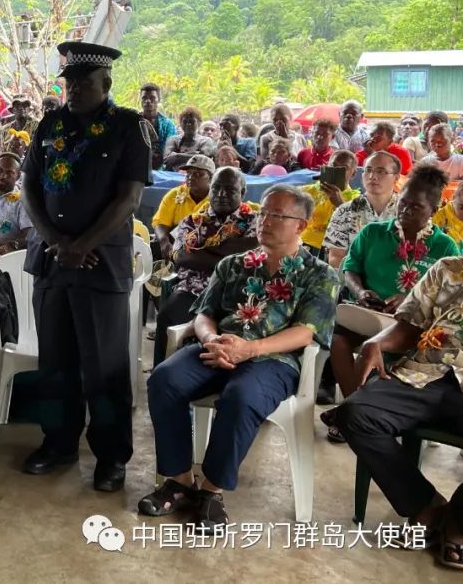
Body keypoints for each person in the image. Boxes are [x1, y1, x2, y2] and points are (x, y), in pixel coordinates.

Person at [139, 186, 338, 531]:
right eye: (263, 213)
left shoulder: (319, 274)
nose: (265, 221)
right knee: (164, 379)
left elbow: (306, 332)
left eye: (278, 215)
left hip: (274, 360)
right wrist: (212, 339)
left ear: (301, 226)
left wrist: (251, 349)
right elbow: (204, 314)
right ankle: (181, 481)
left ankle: (211, 491)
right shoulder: (233, 264)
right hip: (219, 348)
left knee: (241, 396)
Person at [19, 40, 151, 494]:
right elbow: (30, 189)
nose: (73, 90)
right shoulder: (50, 124)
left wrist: (83, 245)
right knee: (55, 361)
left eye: (84, 82)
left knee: (106, 367)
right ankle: (58, 444)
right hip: (53, 261)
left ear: (106, 83)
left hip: (101, 263)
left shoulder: (129, 127)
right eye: (69, 82)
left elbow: (129, 197)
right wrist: (57, 243)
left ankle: (111, 457)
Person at [335, 255, 463, 566]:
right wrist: (376, 343)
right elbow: (408, 328)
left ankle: (459, 522)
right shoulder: (448, 269)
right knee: (357, 414)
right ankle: (428, 508)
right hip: (426, 374)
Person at [321, 165, 458, 441]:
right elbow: (350, 269)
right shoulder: (373, 233)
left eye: (416, 207)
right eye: (403, 203)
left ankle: (354, 414)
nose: (405, 211)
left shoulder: (445, 247)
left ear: (433, 209)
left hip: (412, 325)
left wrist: (409, 300)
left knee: (411, 349)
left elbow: (446, 298)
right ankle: (354, 408)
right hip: (368, 313)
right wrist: (361, 293)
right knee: (338, 339)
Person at [151, 167, 258, 369]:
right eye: (216, 188)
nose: (221, 194)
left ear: (242, 193)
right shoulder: (193, 221)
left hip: (238, 292)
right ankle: (161, 372)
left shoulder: (255, 220)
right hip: (194, 289)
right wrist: (230, 255)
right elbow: (181, 256)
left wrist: (202, 251)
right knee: (168, 315)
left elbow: (253, 251)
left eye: (229, 189)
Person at [323, 150, 401, 269]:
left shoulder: (407, 212)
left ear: (396, 178)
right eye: (368, 170)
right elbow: (335, 257)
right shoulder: (344, 211)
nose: (372, 176)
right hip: (352, 280)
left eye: (380, 171)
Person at [152, 154, 213, 262]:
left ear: (211, 178)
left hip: (205, 251)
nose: (191, 177)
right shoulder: (175, 194)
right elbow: (160, 222)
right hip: (175, 248)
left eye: (198, 174)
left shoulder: (217, 199)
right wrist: (164, 241)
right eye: (188, 173)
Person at [299, 150, 359, 255]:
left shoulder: (357, 200)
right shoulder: (305, 192)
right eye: (333, 166)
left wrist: (340, 204)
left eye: (343, 168)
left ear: (353, 174)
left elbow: (356, 232)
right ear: (327, 167)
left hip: (334, 252)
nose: (336, 171)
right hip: (302, 245)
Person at [140, 83, 176, 170]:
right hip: (136, 167)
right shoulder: (133, 121)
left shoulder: (168, 125)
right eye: (144, 98)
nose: (148, 101)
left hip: (162, 170)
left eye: (152, 98)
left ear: (159, 100)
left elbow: (168, 151)